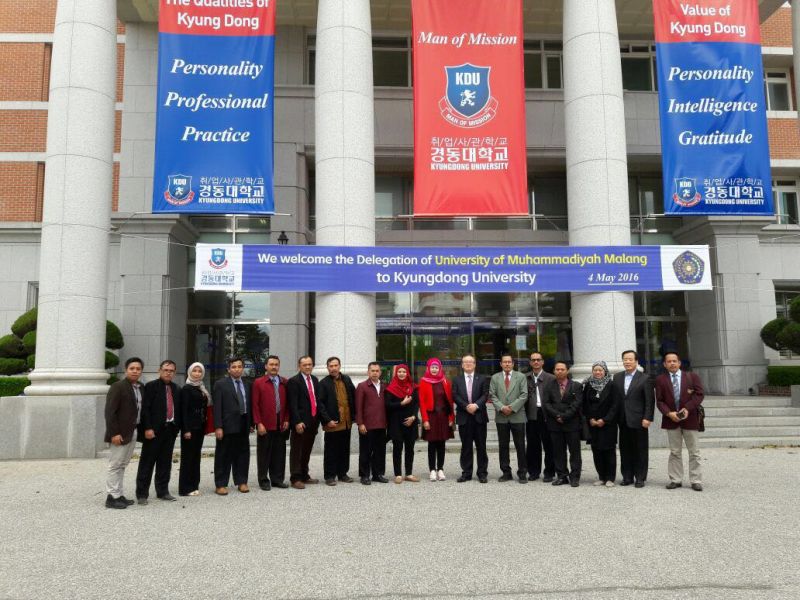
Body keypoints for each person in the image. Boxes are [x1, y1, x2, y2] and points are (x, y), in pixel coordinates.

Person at [655, 351, 705, 491]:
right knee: (675, 452)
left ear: (679, 363)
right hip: (671, 420)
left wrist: (687, 408)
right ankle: (675, 479)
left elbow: (699, 394)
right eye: (669, 361)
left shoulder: (691, 377)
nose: (672, 363)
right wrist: (668, 413)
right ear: (665, 364)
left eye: (674, 361)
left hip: (690, 419)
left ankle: (696, 480)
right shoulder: (660, 379)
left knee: (694, 451)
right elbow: (659, 401)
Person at [136, 359, 181, 503]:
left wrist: (176, 427)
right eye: (166, 370)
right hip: (153, 432)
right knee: (147, 463)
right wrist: (148, 428)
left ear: (174, 372)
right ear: (159, 370)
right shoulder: (150, 386)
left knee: (165, 463)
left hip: (170, 430)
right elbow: (145, 410)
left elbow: (178, 409)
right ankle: (142, 494)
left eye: (171, 370)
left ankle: (163, 491)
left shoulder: (176, 388)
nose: (168, 373)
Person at [104, 357, 144, 509]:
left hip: (133, 431)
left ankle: (119, 494)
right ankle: (111, 497)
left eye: (138, 369)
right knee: (115, 464)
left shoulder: (140, 387)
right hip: (119, 433)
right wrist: (114, 433)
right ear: (126, 370)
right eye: (132, 368)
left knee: (123, 464)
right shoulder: (118, 386)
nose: (135, 371)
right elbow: (110, 412)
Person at [612, 350, 655, 488]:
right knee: (625, 450)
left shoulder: (644, 378)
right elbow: (616, 399)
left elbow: (649, 401)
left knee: (640, 450)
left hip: (639, 419)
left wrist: (648, 418)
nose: (627, 362)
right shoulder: (617, 377)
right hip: (622, 419)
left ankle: (640, 477)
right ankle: (627, 476)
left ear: (636, 361)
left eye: (630, 359)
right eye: (625, 359)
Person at [213, 356, 253, 495]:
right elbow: (217, 407)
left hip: (244, 424)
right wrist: (218, 426)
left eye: (239, 366)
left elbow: (249, 404)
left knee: (242, 454)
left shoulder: (248, 384)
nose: (237, 369)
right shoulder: (220, 384)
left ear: (243, 368)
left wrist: (251, 423)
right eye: (234, 367)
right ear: (228, 369)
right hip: (227, 426)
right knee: (223, 455)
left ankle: (242, 481)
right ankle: (221, 484)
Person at [252, 355, 290, 491]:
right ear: (266, 366)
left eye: (276, 364)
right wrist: (258, 423)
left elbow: (288, 404)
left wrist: (286, 419)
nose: (274, 367)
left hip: (281, 424)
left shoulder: (285, 382)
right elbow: (255, 405)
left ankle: (277, 479)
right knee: (264, 454)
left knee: (279, 454)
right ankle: (263, 480)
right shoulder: (259, 382)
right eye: (271, 364)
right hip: (265, 424)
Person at [542, 361, 583, 487]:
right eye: (557, 369)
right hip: (554, 423)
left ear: (567, 371)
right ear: (554, 371)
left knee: (574, 451)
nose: (559, 371)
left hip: (572, 423)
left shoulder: (576, 386)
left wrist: (564, 416)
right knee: (558, 451)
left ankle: (575, 476)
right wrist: (557, 415)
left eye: (562, 369)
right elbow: (546, 403)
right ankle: (562, 475)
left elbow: (577, 404)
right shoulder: (549, 385)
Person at [317, 356, 357, 485]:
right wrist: (327, 420)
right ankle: (329, 476)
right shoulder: (323, 383)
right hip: (332, 423)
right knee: (331, 450)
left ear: (339, 366)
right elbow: (320, 404)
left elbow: (353, 397)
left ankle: (342, 473)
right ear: (327, 368)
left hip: (346, 422)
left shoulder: (347, 379)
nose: (333, 368)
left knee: (344, 449)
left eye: (335, 365)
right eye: (331, 366)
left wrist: (355, 416)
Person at [489, 353, 528, 483]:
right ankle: (506, 472)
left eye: (509, 362)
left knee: (520, 445)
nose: (507, 364)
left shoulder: (521, 377)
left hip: (517, 416)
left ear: (513, 363)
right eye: (504, 362)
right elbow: (492, 395)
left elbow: (524, 395)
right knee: (503, 445)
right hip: (501, 417)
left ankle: (522, 473)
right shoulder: (495, 378)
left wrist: (511, 407)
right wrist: (501, 407)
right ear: (500, 364)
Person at [451, 353, 489, 483]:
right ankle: (466, 473)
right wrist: (467, 406)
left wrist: (476, 405)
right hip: (464, 417)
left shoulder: (483, 378)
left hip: (479, 417)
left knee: (481, 447)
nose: (468, 364)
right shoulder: (456, 380)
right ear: (462, 365)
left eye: (470, 362)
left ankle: (482, 473)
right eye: (465, 362)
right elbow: (455, 396)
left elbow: (485, 394)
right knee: (466, 447)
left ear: (474, 364)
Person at [581, 361, 618, 487]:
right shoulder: (588, 385)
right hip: (593, 424)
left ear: (605, 371)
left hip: (608, 424)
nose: (597, 372)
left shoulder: (612, 384)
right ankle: (601, 476)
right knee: (596, 451)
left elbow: (615, 405)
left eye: (600, 370)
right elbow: (585, 404)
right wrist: (590, 418)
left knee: (608, 451)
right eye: (595, 370)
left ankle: (610, 478)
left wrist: (605, 420)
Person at [287, 355, 321, 489]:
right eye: (304, 365)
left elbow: (316, 400)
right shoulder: (294, 381)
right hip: (300, 423)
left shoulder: (315, 379)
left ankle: (304, 475)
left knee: (306, 450)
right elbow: (292, 404)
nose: (307, 367)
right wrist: (297, 422)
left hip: (312, 422)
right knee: (297, 451)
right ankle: (295, 478)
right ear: (299, 366)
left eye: (310, 364)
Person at [418, 358, 455, 481]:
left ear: (440, 368)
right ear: (428, 368)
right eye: (432, 367)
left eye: (436, 367)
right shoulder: (423, 382)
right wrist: (425, 420)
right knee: (432, 444)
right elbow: (422, 403)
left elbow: (449, 401)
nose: (434, 369)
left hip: (443, 416)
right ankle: (432, 470)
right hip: (431, 416)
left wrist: (451, 417)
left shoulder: (445, 381)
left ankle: (440, 469)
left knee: (442, 444)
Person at [178, 361, 210, 496]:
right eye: (194, 371)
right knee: (188, 458)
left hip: (200, 427)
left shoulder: (201, 387)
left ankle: (194, 485)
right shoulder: (186, 388)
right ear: (189, 372)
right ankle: (185, 488)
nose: (197, 373)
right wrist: (186, 429)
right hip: (190, 429)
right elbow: (184, 411)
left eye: (199, 371)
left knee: (196, 457)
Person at [385, 364, 419, 483]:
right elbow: (387, 405)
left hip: (411, 422)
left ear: (407, 373)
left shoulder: (413, 387)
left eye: (404, 371)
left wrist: (414, 417)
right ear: (396, 373)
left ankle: (409, 473)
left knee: (410, 449)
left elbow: (416, 404)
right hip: (396, 423)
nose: (401, 373)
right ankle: (398, 474)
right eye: (399, 371)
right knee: (397, 449)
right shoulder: (390, 388)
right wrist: (401, 403)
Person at [355, 361, 388, 484]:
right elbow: (358, 407)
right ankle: (364, 475)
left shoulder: (385, 386)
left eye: (377, 370)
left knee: (380, 451)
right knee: (365, 451)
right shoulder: (362, 386)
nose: (375, 373)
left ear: (380, 372)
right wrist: (360, 423)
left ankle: (377, 474)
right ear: (368, 372)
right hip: (367, 425)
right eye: (372, 370)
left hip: (381, 424)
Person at [525, 351, 556, 482]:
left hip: (547, 415)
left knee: (549, 444)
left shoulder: (551, 378)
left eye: (538, 359)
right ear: (530, 362)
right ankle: (533, 471)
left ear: (542, 362)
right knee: (533, 445)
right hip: (531, 414)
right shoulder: (525, 377)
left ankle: (549, 472)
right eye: (533, 360)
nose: (536, 362)